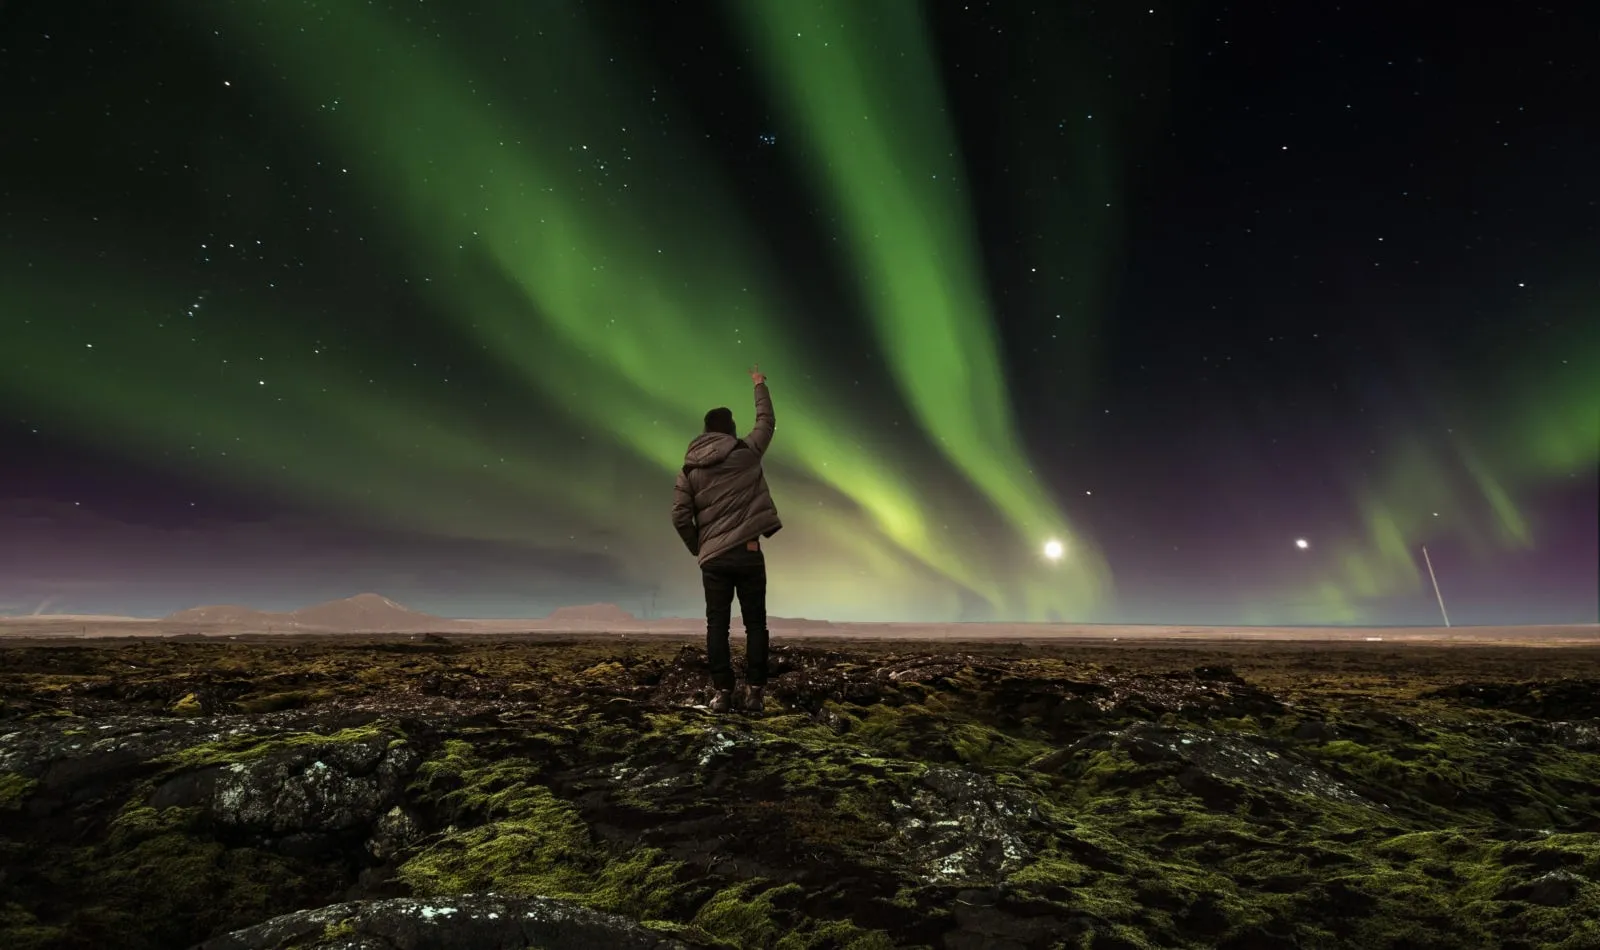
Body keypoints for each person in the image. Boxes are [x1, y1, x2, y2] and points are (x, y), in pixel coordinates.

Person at [672, 365, 782, 713]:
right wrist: (759, 384)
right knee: (756, 625)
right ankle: (754, 694)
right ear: (731, 430)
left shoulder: (690, 469)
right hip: (748, 553)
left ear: (705, 432)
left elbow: (678, 515)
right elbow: (766, 423)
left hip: (714, 561)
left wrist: (700, 547)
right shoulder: (746, 452)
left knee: (716, 624)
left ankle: (721, 693)